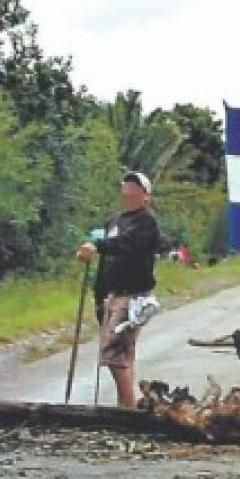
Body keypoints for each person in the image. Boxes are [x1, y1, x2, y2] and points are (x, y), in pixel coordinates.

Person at [75, 171, 162, 408]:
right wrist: (99, 296)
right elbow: (106, 260)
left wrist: (97, 245)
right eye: (128, 185)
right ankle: (125, 405)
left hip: (134, 296)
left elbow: (129, 244)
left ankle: (128, 409)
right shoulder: (114, 221)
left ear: (146, 196)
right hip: (112, 295)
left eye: (137, 187)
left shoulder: (146, 221)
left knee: (113, 352)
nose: (130, 189)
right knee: (122, 353)